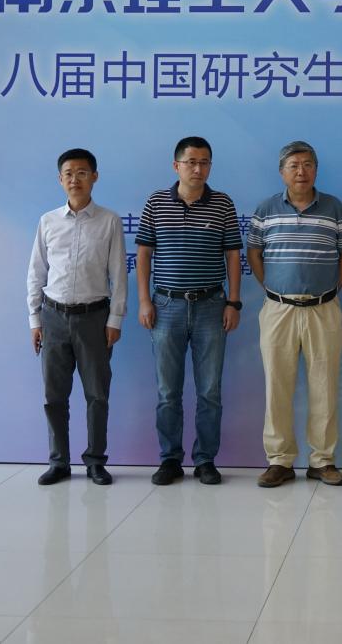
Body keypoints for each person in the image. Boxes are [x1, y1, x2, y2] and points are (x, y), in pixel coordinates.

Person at [135, 137, 242, 486]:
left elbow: (232, 255)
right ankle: (170, 459)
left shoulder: (222, 203)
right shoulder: (156, 203)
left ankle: (205, 459)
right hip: (166, 306)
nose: (198, 168)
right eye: (191, 162)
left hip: (212, 306)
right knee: (168, 391)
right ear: (176, 165)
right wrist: (144, 301)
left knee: (210, 391)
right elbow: (144, 255)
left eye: (205, 162)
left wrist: (233, 302)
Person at [247, 141, 342, 487]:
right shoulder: (266, 209)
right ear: (282, 172)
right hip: (278, 309)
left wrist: (332, 289)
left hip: (323, 308)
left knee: (325, 386)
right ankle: (279, 460)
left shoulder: (334, 208)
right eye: (293, 165)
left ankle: (322, 460)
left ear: (316, 170)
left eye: (307, 164)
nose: (301, 171)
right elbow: (254, 252)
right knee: (277, 386)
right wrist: (272, 289)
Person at [27, 148, 127, 486]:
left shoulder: (109, 221)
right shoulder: (48, 221)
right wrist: (35, 320)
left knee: (97, 395)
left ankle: (96, 461)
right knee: (54, 395)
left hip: (94, 317)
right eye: (68, 173)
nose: (75, 179)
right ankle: (59, 462)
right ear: (60, 179)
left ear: (94, 177)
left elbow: (118, 274)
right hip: (53, 316)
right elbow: (36, 272)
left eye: (82, 172)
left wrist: (115, 319)